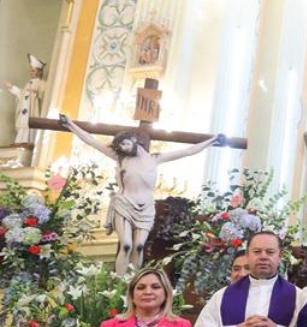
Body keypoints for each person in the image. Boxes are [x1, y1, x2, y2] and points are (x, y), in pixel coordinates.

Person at [59, 114, 224, 274]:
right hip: (124, 203)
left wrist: (212, 140)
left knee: (138, 245)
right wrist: (70, 124)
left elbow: (188, 151)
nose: (123, 148)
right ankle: (120, 283)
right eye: (120, 147)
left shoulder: (155, 158)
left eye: (124, 144)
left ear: (133, 140)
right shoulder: (119, 158)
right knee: (126, 244)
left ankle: (133, 281)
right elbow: (91, 140)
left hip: (145, 207)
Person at [3, 54, 45, 145]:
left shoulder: (42, 84)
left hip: (33, 115)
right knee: (22, 133)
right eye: (31, 70)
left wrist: (35, 94)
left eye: (33, 70)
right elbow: (22, 94)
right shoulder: (28, 84)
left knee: (31, 133)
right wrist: (12, 87)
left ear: (39, 72)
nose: (31, 72)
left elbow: (44, 98)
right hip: (24, 115)